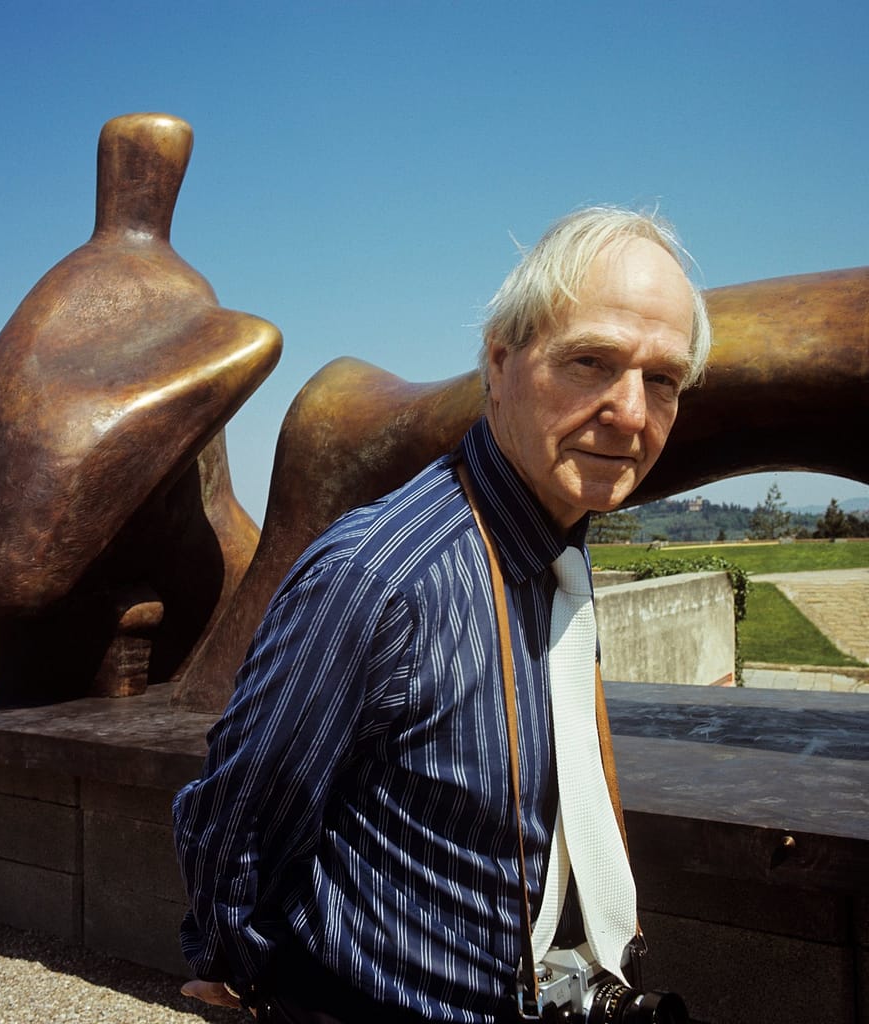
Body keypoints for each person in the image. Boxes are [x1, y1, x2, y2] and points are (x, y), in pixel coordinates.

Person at [173, 206, 711, 1023]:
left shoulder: (556, 542)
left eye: (662, 378)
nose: (632, 414)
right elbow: (238, 816)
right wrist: (247, 973)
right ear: (500, 363)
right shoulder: (380, 578)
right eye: (591, 361)